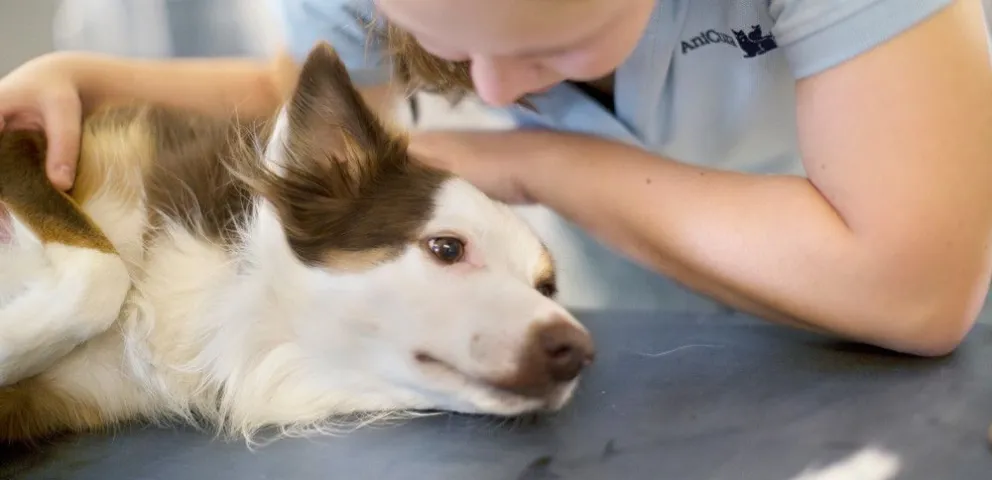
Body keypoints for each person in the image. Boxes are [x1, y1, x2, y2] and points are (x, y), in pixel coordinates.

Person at [1, 0, 990, 356]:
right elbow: (292, 91)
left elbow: (915, 286)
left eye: (552, 47)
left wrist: (538, 162)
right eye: (441, 43)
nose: (492, 90)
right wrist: (84, 80)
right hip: (650, 324)